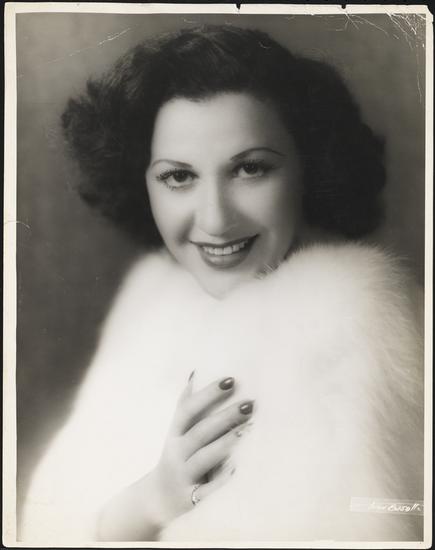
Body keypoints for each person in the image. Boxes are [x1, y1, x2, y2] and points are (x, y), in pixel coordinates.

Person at [21, 25, 424, 543]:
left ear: (308, 167)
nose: (214, 219)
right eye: (178, 176)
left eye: (250, 169)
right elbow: (44, 527)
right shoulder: (153, 304)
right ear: (142, 181)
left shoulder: (351, 320)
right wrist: (151, 499)